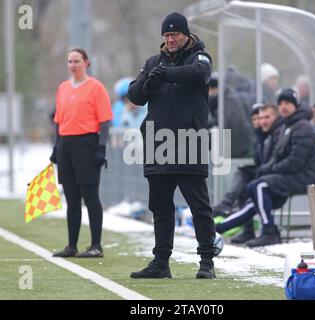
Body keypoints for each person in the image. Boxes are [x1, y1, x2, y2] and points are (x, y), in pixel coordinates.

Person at [127, 12, 216, 279]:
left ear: (186, 35)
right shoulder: (154, 61)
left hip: (190, 142)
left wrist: (166, 74)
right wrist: (147, 81)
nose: (170, 39)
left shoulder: (200, 57)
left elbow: (199, 74)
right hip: (158, 144)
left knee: (199, 206)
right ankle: (161, 263)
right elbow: (135, 95)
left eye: (175, 34)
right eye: (166, 35)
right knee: (160, 207)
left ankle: (207, 262)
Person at [50, 48, 113, 258]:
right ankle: (71, 245)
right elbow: (58, 122)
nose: (72, 65)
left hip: (86, 143)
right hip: (66, 144)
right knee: (71, 197)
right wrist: (56, 147)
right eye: (69, 61)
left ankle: (96, 246)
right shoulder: (63, 88)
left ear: (86, 63)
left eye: (76, 61)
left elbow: (104, 121)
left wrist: (101, 148)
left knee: (90, 195)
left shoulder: (96, 88)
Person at [244, 89, 315, 247]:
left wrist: (271, 170)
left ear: (295, 105)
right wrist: (266, 169)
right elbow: (277, 156)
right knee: (254, 184)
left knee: (260, 185)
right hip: (291, 174)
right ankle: (267, 230)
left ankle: (269, 231)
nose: (283, 106)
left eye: (287, 103)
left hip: (303, 176)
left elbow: (295, 162)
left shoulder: (303, 127)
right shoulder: (288, 125)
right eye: (280, 103)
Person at [215, 104, 285, 244]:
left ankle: (220, 224)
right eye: (255, 119)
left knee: (252, 186)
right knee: (243, 176)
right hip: (267, 174)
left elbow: (273, 162)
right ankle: (247, 229)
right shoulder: (261, 136)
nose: (259, 122)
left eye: (263, 118)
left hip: (276, 178)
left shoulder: (274, 134)